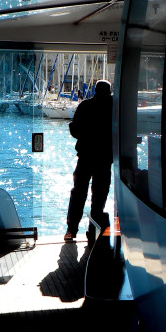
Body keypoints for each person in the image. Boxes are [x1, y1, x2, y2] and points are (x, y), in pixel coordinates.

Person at [64, 79, 113, 242]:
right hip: (105, 159)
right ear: (109, 91)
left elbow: (75, 130)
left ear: (95, 90)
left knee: (78, 193)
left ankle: (71, 230)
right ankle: (93, 231)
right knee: (99, 197)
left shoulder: (85, 106)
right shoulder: (114, 107)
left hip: (85, 156)